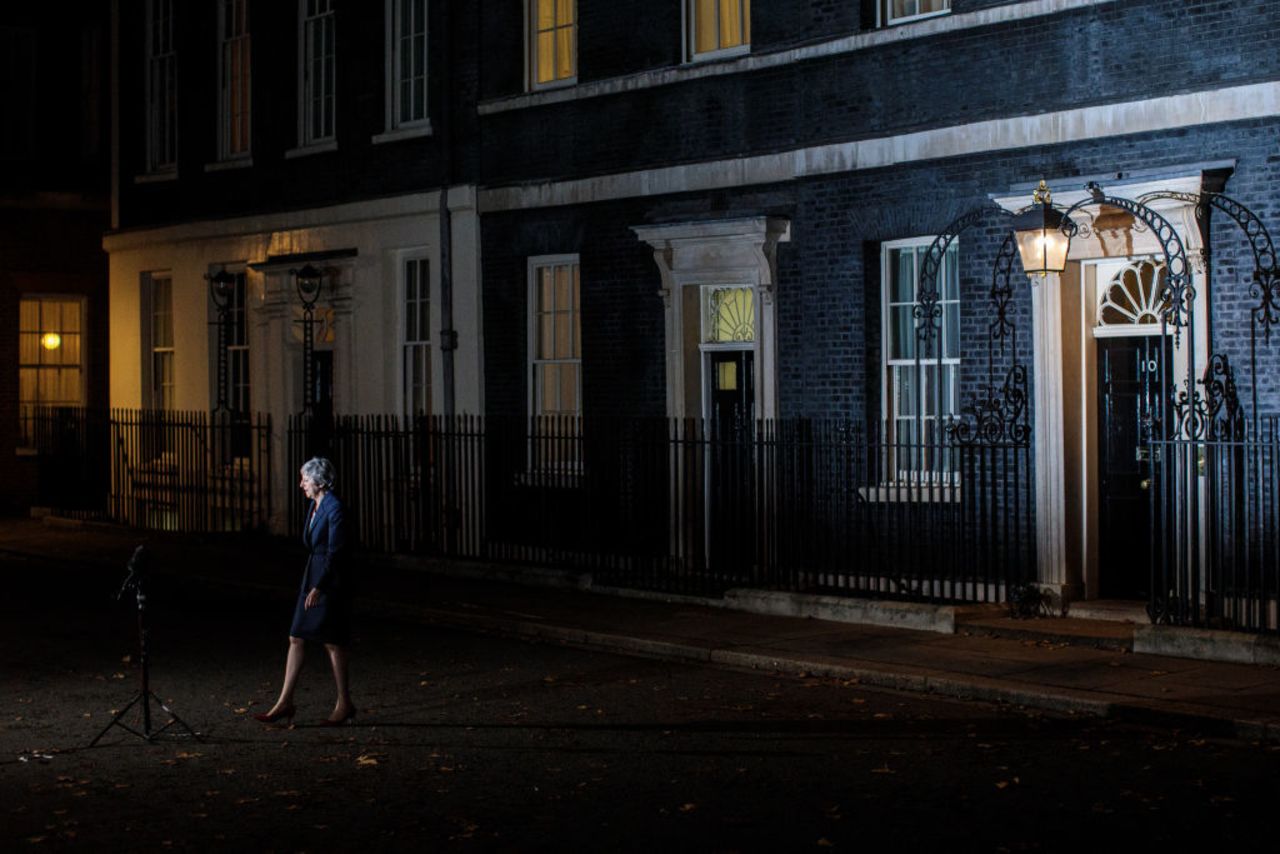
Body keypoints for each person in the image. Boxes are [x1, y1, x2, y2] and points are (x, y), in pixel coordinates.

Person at [255, 457, 356, 726]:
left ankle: (343, 703)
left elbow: (335, 552)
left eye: (305, 479)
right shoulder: (316, 505)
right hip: (312, 576)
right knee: (296, 636)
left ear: (319, 481)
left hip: (327, 580)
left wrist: (320, 586)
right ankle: (285, 701)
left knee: (332, 641)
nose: (301, 484)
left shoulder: (334, 508)